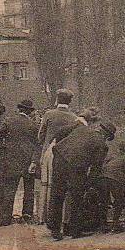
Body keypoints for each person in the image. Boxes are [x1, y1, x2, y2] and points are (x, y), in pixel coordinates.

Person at [48, 120, 115, 240]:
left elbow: (60, 132)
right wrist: (88, 185)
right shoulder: (102, 144)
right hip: (76, 166)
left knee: (57, 194)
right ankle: (75, 230)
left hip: (59, 157)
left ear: (99, 127)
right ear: (107, 136)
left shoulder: (81, 128)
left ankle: (55, 229)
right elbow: (95, 169)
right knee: (77, 197)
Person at [36, 88, 79, 223]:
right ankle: (62, 218)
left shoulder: (49, 114)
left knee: (46, 184)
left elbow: (40, 136)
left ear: (57, 100)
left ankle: (43, 216)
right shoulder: (73, 117)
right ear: (69, 102)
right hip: (65, 155)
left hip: (49, 153)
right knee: (62, 186)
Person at [0, 98, 38, 225]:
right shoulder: (33, 125)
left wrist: (5, 149)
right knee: (29, 190)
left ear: (19, 109)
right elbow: (38, 144)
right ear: (29, 111)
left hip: (11, 160)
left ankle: (5, 218)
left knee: (9, 189)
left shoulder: (8, 121)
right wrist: (34, 160)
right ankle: (27, 216)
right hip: (28, 161)